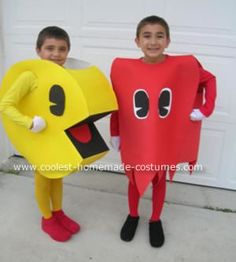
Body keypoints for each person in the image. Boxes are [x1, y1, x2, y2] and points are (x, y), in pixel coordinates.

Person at [110, 15, 216, 247]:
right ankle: (133, 214)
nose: (153, 41)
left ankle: (155, 219)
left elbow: (209, 79)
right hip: (136, 138)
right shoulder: (125, 70)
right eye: (146, 36)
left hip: (163, 139)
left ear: (168, 41)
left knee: (159, 180)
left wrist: (205, 109)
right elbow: (118, 104)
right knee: (134, 179)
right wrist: (115, 132)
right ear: (137, 41)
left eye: (160, 36)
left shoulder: (180, 67)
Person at [0, 26, 80, 242]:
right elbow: (5, 105)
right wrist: (29, 123)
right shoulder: (30, 76)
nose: (56, 54)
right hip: (37, 136)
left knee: (57, 175)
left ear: (68, 51)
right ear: (38, 50)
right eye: (49, 48)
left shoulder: (63, 74)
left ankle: (58, 212)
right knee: (43, 177)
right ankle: (47, 217)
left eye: (62, 49)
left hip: (56, 136)